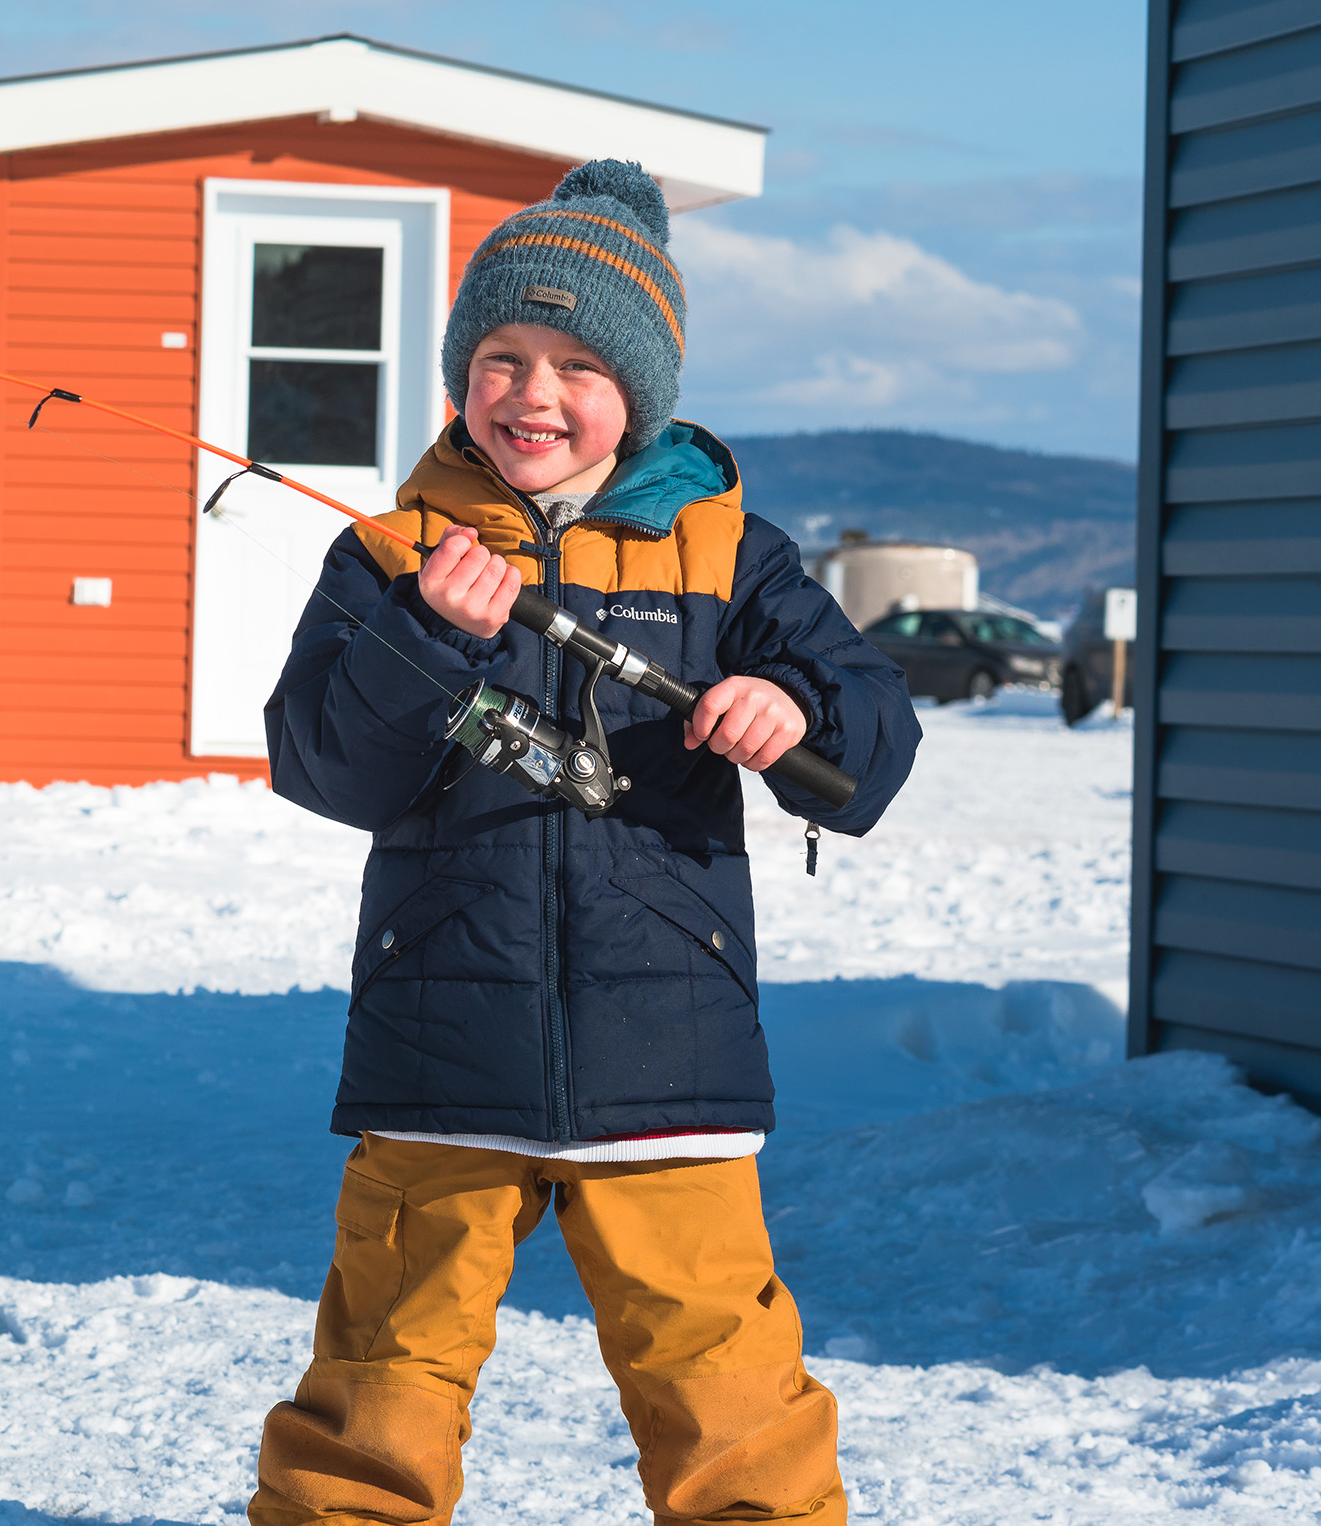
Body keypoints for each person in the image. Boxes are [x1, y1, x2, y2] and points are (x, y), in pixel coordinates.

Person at [250, 159, 920, 1526]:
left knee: (725, 1383)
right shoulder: (391, 553)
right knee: (382, 1375)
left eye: (574, 363)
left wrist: (788, 704)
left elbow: (869, 749)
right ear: (459, 372)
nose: (532, 393)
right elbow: (324, 763)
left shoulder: (729, 553)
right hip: (440, 1044)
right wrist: (428, 633)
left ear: (644, 391)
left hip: (667, 1048)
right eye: (500, 355)